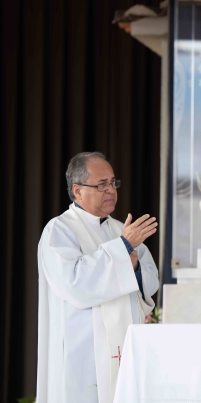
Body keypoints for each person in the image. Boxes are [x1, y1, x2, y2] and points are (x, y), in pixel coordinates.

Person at [37, 152, 160, 403]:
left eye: (113, 182)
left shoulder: (119, 229)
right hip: (83, 353)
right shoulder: (59, 229)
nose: (111, 190)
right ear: (78, 190)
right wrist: (123, 248)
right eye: (101, 184)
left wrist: (134, 268)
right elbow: (76, 283)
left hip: (123, 348)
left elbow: (149, 280)